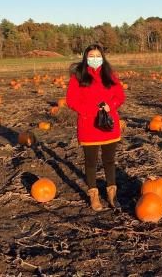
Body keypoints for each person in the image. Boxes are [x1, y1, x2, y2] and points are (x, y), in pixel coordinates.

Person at [66, 43, 125, 211]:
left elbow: (120, 95)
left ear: (102, 57)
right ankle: (94, 195)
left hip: (108, 124)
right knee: (91, 162)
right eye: (91, 56)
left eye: (97, 56)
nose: (95, 59)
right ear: (86, 58)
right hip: (88, 125)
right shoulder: (78, 75)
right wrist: (88, 110)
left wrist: (111, 105)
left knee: (109, 160)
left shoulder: (110, 74)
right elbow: (71, 100)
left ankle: (112, 195)